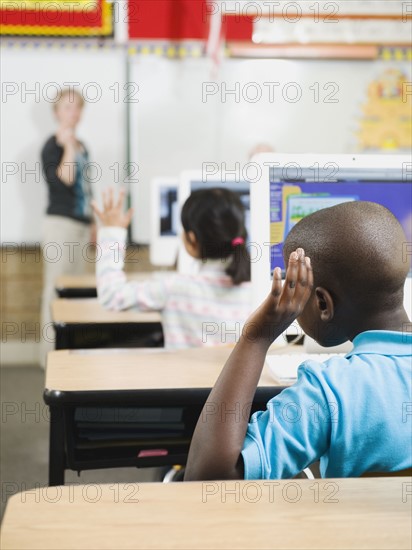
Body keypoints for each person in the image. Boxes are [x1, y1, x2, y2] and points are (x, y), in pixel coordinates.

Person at [184, 201, 412, 480]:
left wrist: (256, 338)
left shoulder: (330, 391)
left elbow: (209, 478)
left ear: (322, 303)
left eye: (297, 286)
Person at [92, 187, 252, 349]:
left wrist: (112, 232)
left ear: (192, 239)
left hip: (184, 375)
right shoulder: (259, 292)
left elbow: (112, 295)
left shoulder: (175, 288)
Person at [39, 88, 94, 367]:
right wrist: (68, 146)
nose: (73, 113)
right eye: (67, 108)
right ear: (56, 112)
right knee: (55, 289)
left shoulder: (83, 145)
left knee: (75, 293)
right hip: (60, 226)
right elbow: (67, 179)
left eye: (77, 108)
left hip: (81, 227)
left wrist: (94, 226)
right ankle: (49, 358)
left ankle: (69, 356)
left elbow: (86, 189)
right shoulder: (53, 145)